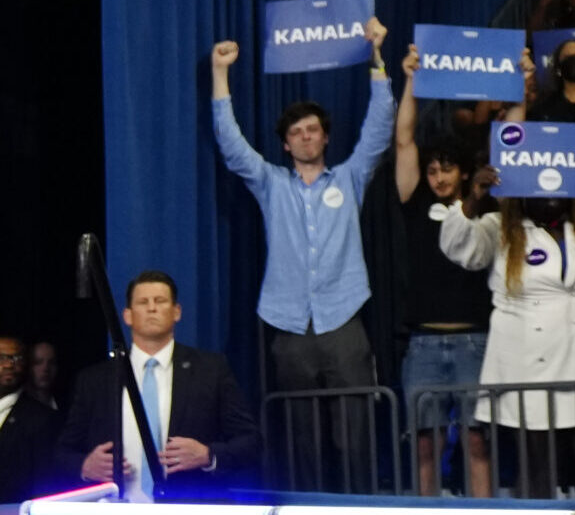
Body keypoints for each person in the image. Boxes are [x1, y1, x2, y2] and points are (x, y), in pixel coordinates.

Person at [207, 29, 392, 488]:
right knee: (299, 436)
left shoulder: (349, 177)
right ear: (286, 145)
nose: (306, 137)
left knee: (354, 434)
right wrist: (219, 72)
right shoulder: (271, 183)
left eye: (313, 130)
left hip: (344, 318)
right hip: (289, 323)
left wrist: (377, 55)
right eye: (296, 132)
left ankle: (359, 506)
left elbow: (379, 128)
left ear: (325, 138)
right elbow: (232, 146)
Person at [439, 145, 575, 496]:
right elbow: (459, 248)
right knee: (537, 463)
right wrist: (473, 199)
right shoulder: (500, 228)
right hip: (528, 362)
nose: (551, 197)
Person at [55, 272, 259, 499]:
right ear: (127, 315)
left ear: (177, 312)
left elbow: (250, 442)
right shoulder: (95, 380)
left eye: (160, 301)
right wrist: (85, 465)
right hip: (114, 505)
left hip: (187, 506)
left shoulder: (211, 370)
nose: (152, 308)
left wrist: (208, 455)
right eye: (143, 302)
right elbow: (63, 452)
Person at [393, 48, 493, 497]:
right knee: (425, 445)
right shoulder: (416, 200)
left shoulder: (482, 207)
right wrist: (411, 80)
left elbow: (513, 140)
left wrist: (518, 87)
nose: (438, 177)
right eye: (432, 170)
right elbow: (404, 141)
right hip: (424, 342)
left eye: (447, 169)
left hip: (475, 338)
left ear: (465, 172)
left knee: (477, 441)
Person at [0, 335, 62, 503]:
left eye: (17, 358)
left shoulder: (42, 419)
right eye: (2, 358)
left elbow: (45, 487)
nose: (8, 365)